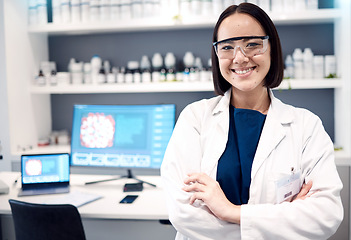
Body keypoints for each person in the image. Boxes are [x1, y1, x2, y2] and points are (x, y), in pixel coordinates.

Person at [160, 3, 343, 240]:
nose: (240, 57)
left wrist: (231, 211)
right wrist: (280, 221)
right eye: (227, 47)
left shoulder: (306, 126)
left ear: (272, 49)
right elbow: (183, 213)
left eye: (252, 44)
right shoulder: (194, 119)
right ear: (217, 55)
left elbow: (325, 216)